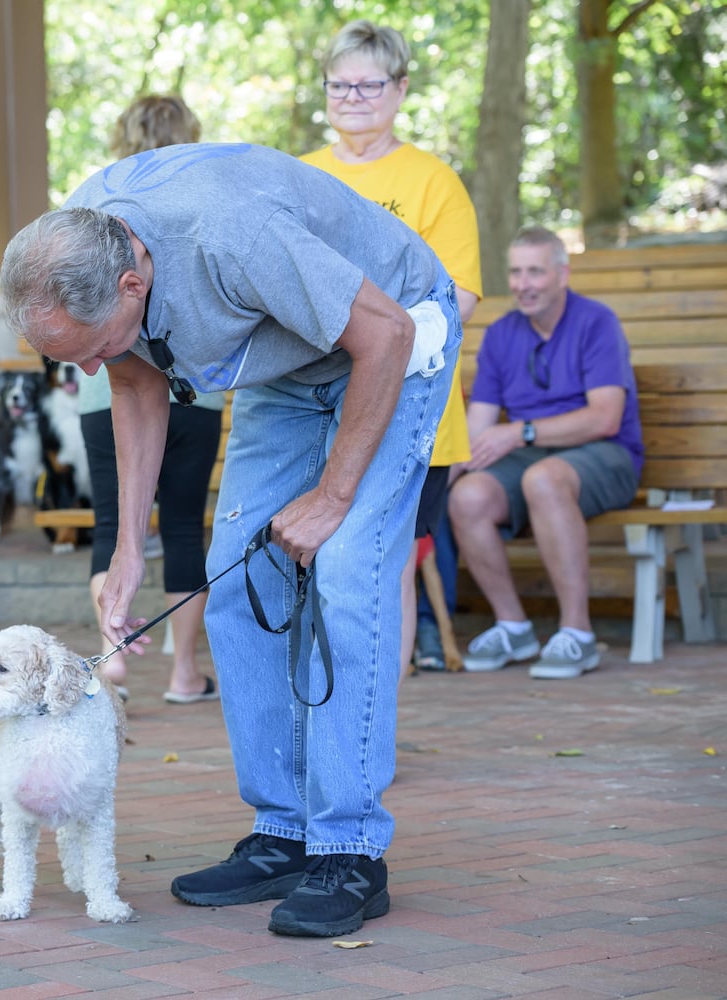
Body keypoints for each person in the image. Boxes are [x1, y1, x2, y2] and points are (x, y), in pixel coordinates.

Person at [0, 143, 460, 938]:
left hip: (393, 338)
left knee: (347, 570)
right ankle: (283, 832)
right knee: (236, 582)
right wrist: (127, 550)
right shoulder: (81, 247)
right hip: (289, 361)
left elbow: (380, 335)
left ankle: (349, 849)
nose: (90, 366)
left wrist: (332, 494)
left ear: (132, 284)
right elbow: (135, 374)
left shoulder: (229, 236)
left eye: (93, 346)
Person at [300, 20, 482, 674]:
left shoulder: (435, 183)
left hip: (412, 413)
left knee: (383, 568)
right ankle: (327, 726)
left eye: (369, 83)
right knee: (316, 564)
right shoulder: (301, 176)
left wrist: (366, 335)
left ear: (400, 88)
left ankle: (369, 732)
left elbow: (456, 300)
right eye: (338, 84)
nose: (352, 96)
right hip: (313, 404)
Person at [448, 226, 643, 680]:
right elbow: (479, 424)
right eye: (515, 272)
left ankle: (578, 633)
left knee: (545, 480)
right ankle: (513, 625)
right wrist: (445, 473)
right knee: (468, 497)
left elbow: (605, 418)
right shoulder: (500, 335)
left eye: (535, 272)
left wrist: (520, 432)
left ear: (561, 274)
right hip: (533, 455)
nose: (523, 284)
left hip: (604, 453)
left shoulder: (597, 322)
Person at [83, 94, 222, 704]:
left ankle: (114, 659)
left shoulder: (95, 203)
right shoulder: (200, 200)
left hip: (102, 389)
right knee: (187, 528)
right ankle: (183, 673)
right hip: (195, 384)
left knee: (112, 526)